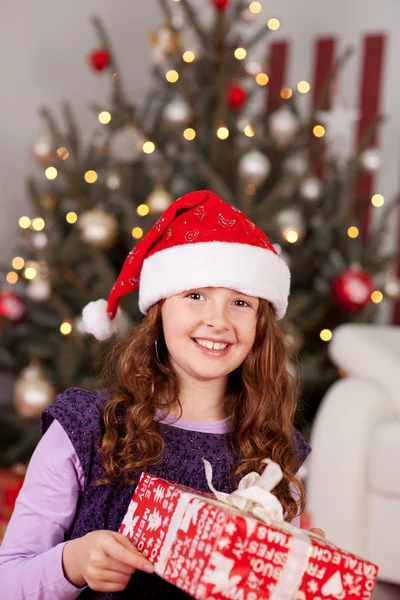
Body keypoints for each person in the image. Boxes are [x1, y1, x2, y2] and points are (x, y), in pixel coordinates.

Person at [0, 190, 324, 599]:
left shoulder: (276, 454)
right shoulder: (85, 429)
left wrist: (296, 575)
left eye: (240, 302)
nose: (218, 321)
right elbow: (8, 581)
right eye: (195, 295)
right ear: (160, 309)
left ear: (261, 326)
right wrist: (73, 563)